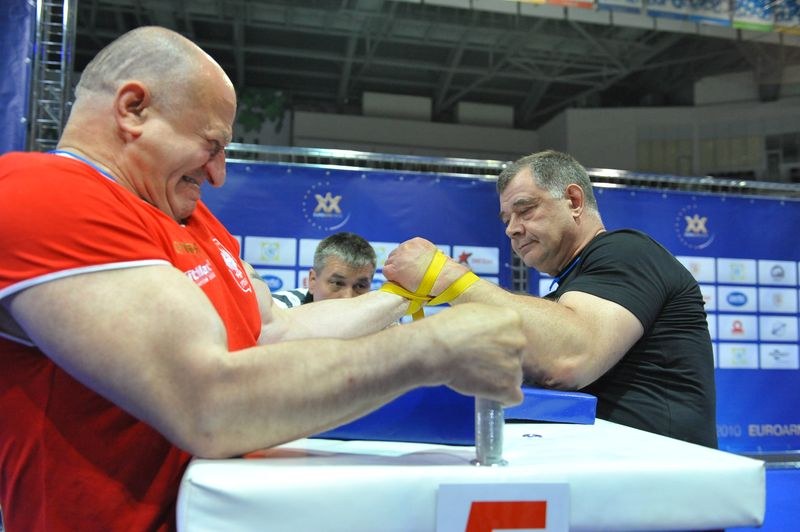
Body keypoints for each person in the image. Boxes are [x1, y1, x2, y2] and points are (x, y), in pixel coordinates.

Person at [0, 27, 526, 531]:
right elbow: (207, 405)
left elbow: (275, 330)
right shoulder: (43, 194)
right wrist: (431, 347)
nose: (218, 174)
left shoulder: (188, 217)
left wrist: (406, 296)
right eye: (213, 145)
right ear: (133, 109)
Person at [383, 149, 718, 448]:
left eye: (524, 209)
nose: (511, 229)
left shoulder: (627, 252)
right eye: (507, 219)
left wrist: (447, 277)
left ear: (573, 201)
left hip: (660, 486)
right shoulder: (571, 287)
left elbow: (569, 361)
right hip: (624, 480)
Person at [272, 232, 377, 308]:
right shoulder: (278, 310)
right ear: (313, 280)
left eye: (360, 286)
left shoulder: (381, 318)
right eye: (337, 283)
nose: (348, 298)